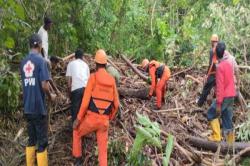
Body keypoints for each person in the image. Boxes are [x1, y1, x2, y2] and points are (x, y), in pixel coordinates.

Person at [72, 49, 119, 166]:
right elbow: (116, 104)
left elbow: (85, 102)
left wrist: (78, 119)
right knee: (103, 151)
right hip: (104, 121)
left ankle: (77, 160)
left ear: (96, 64)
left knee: (76, 132)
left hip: (91, 119)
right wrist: (109, 117)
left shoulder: (93, 77)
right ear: (105, 63)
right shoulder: (112, 80)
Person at [20, 34, 56, 166]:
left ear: (30, 45)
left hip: (27, 108)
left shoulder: (23, 62)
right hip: (38, 107)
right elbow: (44, 85)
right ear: (40, 45)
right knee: (42, 142)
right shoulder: (41, 61)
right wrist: (51, 96)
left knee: (31, 140)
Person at [206, 42, 236, 144]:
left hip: (224, 96)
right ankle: (230, 143)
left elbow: (220, 88)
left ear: (216, 54)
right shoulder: (229, 63)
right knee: (227, 118)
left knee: (210, 113)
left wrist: (218, 104)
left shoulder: (220, 67)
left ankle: (217, 137)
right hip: (232, 95)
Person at [66, 49, 90, 123]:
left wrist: (69, 92)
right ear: (82, 57)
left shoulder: (71, 64)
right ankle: (83, 130)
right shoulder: (86, 65)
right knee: (84, 110)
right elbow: (89, 81)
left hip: (76, 89)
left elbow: (68, 80)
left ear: (75, 56)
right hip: (86, 89)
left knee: (75, 111)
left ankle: (75, 131)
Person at [197, 34, 219, 107]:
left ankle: (199, 103)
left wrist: (207, 74)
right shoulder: (221, 49)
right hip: (220, 73)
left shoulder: (212, 50)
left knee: (206, 89)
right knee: (218, 89)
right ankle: (217, 105)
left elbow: (211, 64)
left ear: (212, 42)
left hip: (213, 73)